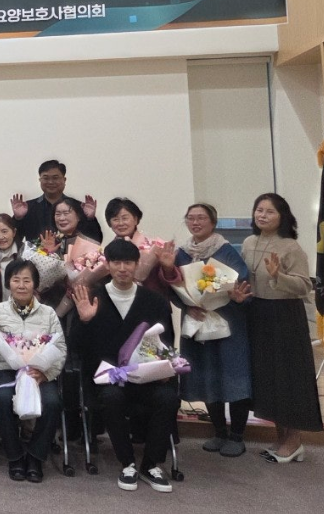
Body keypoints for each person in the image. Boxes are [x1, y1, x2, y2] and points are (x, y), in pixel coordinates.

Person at [71, 239, 179, 494]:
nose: (122, 268)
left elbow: (166, 342)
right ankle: (128, 463)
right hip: (107, 378)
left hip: (147, 377)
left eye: (128, 262)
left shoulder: (154, 301)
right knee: (112, 398)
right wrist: (85, 321)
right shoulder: (93, 297)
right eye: (116, 262)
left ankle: (151, 464)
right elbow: (76, 347)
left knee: (168, 398)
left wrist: (164, 369)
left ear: (137, 265)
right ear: (107, 265)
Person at [240, 193, 322, 462]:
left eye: (269, 212)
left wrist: (279, 276)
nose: (262, 215)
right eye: (259, 210)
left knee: (289, 377)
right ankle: (280, 437)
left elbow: (304, 286)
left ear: (282, 216)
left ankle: (295, 439)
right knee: (267, 378)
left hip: (285, 316)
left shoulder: (290, 247)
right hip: (257, 313)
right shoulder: (249, 242)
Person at [166, 203, 252, 456]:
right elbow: (173, 286)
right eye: (191, 218)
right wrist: (187, 304)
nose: (195, 222)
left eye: (201, 218)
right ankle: (219, 432)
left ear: (213, 222)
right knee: (207, 375)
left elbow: (241, 281)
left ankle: (237, 435)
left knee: (233, 374)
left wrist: (231, 295)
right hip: (197, 322)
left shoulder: (225, 250)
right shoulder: (181, 253)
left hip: (228, 322)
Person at [0, 260, 66, 483]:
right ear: (9, 283)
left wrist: (47, 374)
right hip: (6, 370)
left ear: (35, 284)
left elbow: (60, 348)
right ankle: (14, 456)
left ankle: (35, 457)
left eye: (27, 280)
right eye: (16, 280)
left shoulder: (48, 313)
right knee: (3, 398)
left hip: (39, 372)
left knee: (52, 401)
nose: (21, 285)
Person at [11, 159, 102, 243]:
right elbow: (13, 241)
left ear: (64, 180)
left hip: (72, 254)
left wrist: (90, 219)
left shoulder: (77, 207)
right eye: (46, 178)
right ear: (40, 180)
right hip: (35, 254)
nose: (50, 182)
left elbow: (95, 241)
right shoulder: (29, 208)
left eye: (55, 178)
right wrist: (18, 219)